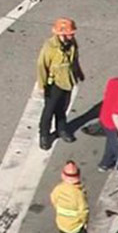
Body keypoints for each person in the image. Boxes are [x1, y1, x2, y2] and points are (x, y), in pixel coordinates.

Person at [37, 18, 84, 150]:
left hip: (67, 81)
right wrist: (42, 85)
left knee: (62, 108)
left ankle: (61, 129)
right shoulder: (50, 47)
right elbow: (41, 66)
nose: (73, 35)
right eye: (70, 33)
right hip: (54, 83)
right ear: (61, 33)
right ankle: (44, 135)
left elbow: (74, 59)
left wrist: (79, 72)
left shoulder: (72, 43)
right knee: (49, 111)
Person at [50, 161, 89, 233]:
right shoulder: (78, 194)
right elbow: (83, 211)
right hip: (75, 227)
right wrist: (85, 222)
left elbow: (53, 200)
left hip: (62, 224)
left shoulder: (58, 188)